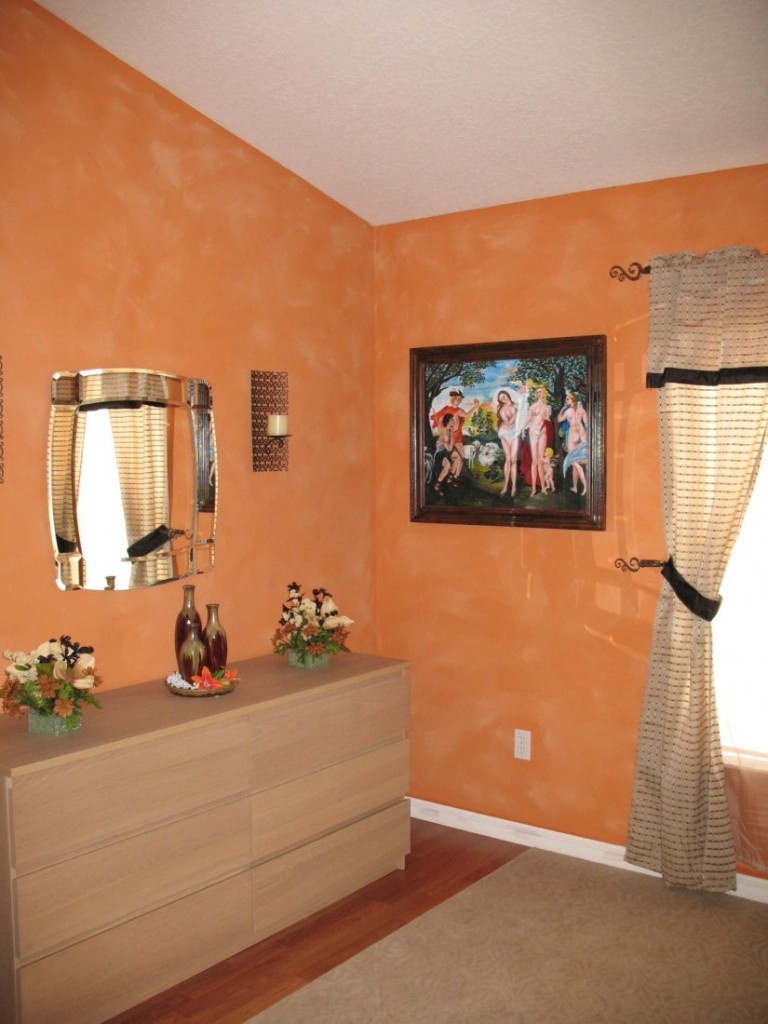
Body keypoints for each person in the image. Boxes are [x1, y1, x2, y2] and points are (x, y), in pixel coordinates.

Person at [430, 388, 480, 478]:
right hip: (449, 435)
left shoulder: (459, 410)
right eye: (457, 399)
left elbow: (467, 415)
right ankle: (452, 476)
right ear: (453, 399)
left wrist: (475, 406)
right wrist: (443, 431)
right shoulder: (446, 409)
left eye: (460, 399)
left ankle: (454, 476)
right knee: (458, 456)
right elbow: (439, 419)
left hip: (457, 435)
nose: (459, 401)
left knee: (461, 456)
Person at [558, 391, 588, 494]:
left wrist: (563, 408)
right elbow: (559, 420)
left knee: (575, 462)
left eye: (568, 399)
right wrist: (563, 408)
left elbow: (587, 425)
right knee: (575, 464)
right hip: (576, 436)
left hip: (578, 436)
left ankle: (585, 485)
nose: (566, 400)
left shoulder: (576, 411)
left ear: (573, 399)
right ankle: (575, 487)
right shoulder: (573, 411)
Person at [527, 385, 553, 496]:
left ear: (544, 393)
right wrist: (523, 429)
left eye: (541, 392)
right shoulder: (532, 406)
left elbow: (548, 421)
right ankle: (533, 488)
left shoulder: (547, 407)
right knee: (534, 461)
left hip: (542, 432)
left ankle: (542, 487)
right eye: (537, 392)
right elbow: (528, 420)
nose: (539, 394)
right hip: (533, 432)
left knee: (541, 460)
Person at [496, 389, 521, 497]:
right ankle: (506, 485)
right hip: (505, 433)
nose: (503, 399)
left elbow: (524, 414)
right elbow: (509, 423)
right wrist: (517, 412)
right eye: (501, 398)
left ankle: (514, 486)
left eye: (504, 396)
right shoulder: (501, 410)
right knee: (508, 459)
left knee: (513, 460)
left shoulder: (516, 405)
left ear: (507, 395)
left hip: (515, 433)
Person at [433, 413, 457, 495]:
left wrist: (451, 432)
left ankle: (450, 478)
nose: (453, 421)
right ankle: (437, 485)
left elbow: (450, 447)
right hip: (440, 453)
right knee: (448, 466)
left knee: (458, 457)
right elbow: (449, 448)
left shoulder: (449, 431)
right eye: (452, 420)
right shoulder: (445, 432)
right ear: (448, 421)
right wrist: (451, 433)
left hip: (445, 452)